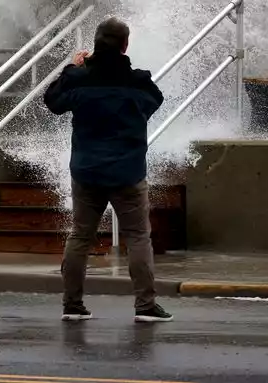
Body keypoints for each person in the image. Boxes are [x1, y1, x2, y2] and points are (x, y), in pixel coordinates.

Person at [43, 16, 173, 323]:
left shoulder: (80, 79)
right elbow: (155, 101)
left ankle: (72, 304)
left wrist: (72, 69)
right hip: (127, 172)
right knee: (139, 237)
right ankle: (145, 305)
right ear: (125, 46)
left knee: (80, 237)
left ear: (95, 45)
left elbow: (52, 101)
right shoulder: (137, 81)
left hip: (86, 171)